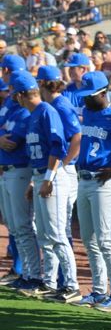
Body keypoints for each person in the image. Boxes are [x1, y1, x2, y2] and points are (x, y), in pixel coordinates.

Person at [72, 71, 111, 311]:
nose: (86, 100)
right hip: (84, 178)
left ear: (103, 93)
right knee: (89, 239)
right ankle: (99, 291)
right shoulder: (88, 111)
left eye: (90, 95)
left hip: (104, 182)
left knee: (106, 239)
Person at [13, 71, 76, 301]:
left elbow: (58, 146)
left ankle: (71, 285)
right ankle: (49, 282)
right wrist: (35, 180)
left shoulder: (47, 111)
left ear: (21, 95)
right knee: (45, 234)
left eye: (15, 95)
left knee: (57, 233)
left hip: (53, 178)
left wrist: (48, 177)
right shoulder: (33, 114)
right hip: (40, 176)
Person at [0, 66, 41, 292]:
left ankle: (32, 274)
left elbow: (12, 142)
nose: (10, 93)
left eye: (14, 89)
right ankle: (24, 272)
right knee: (15, 226)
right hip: (8, 170)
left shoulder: (26, 112)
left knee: (23, 226)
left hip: (22, 170)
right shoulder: (10, 106)